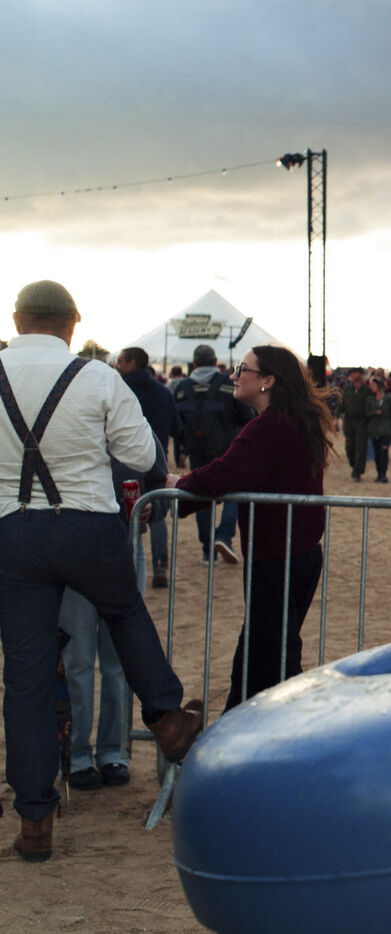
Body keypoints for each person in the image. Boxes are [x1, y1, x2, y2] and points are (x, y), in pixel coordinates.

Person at [0, 280, 203, 862]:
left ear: (16, 320)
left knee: (26, 676)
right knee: (123, 613)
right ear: (72, 324)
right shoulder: (96, 377)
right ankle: (167, 720)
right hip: (87, 523)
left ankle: (35, 821)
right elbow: (142, 456)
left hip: (13, 529)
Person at [169, 345, 332, 710]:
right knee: (265, 653)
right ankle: (248, 723)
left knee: (268, 657)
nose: (234, 375)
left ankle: (262, 729)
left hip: (278, 556)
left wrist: (177, 487)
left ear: (267, 381)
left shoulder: (270, 426)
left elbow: (226, 473)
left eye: (242, 369)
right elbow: (235, 475)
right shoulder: (289, 421)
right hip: (294, 551)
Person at [61, 447, 169, 791]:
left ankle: (114, 752)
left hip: (125, 547)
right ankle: (77, 754)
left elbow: (159, 482)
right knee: (77, 659)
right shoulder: (69, 422)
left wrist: (152, 508)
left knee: (118, 659)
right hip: (72, 551)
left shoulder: (133, 426)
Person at [172, 344, 253, 563]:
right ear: (216, 362)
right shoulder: (228, 384)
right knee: (234, 492)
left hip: (196, 451)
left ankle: (208, 550)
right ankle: (224, 535)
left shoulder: (182, 387)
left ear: (194, 363)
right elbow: (246, 416)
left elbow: (176, 424)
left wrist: (182, 449)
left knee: (201, 496)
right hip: (227, 450)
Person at [115, 346, 179, 586]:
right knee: (152, 510)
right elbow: (177, 426)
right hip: (155, 456)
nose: (118, 365)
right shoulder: (163, 391)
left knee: (137, 521)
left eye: (121, 361)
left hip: (124, 461)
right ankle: (160, 565)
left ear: (132, 363)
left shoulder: (119, 390)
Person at [339, 367, 371, 481]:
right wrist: (336, 417)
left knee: (360, 448)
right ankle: (354, 466)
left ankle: (357, 472)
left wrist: (369, 422)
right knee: (349, 447)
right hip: (349, 421)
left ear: (361, 375)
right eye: (352, 373)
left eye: (355, 373)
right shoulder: (347, 389)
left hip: (361, 421)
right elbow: (341, 403)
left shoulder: (366, 390)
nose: (353, 375)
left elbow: (370, 406)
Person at [366, 374, 391, 482]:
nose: (371, 387)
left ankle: (383, 473)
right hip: (374, 430)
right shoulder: (370, 399)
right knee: (377, 453)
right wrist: (375, 413)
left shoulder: (389, 398)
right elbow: (366, 413)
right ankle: (379, 473)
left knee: (384, 452)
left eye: (373, 385)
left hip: (385, 430)